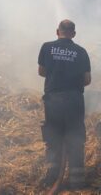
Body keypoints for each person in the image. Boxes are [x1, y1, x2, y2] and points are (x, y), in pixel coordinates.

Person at [37, 19, 91, 189]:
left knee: (53, 138)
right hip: (74, 101)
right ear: (73, 34)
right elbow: (87, 80)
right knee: (75, 140)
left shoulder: (46, 47)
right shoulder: (81, 52)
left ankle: (51, 180)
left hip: (53, 101)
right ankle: (77, 183)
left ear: (57, 31)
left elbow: (41, 72)